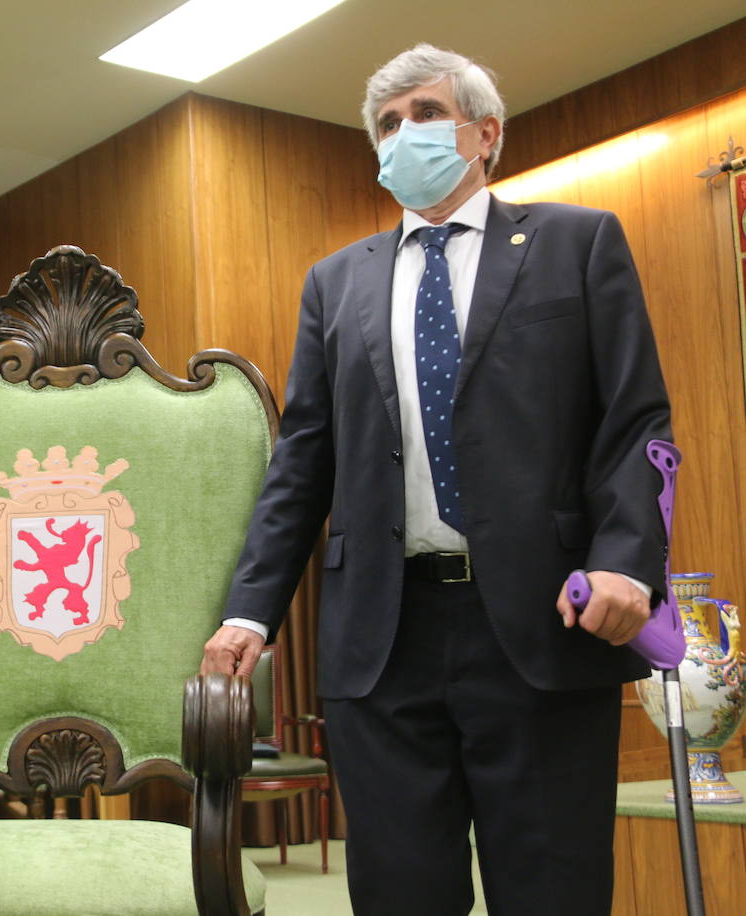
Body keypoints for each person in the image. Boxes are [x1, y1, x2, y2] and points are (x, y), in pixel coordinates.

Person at [201, 44, 671, 915]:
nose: (401, 135)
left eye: (423, 113)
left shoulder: (577, 241)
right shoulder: (335, 284)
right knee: (399, 894)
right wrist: (249, 611)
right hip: (382, 639)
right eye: (386, 124)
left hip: (542, 623)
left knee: (553, 891)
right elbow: (304, 458)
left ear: (484, 134)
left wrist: (629, 561)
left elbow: (633, 422)